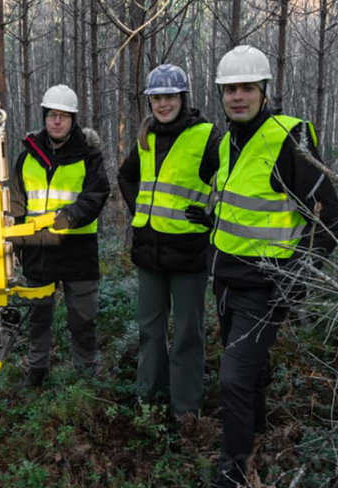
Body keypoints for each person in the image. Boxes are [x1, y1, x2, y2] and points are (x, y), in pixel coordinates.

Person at [208, 46, 338, 486]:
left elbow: (332, 216)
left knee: (232, 378)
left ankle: (233, 468)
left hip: (265, 286)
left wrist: (299, 274)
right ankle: (261, 432)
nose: (238, 96)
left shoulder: (289, 137)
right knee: (248, 370)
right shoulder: (228, 140)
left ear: (264, 91)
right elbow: (245, 209)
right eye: (230, 89)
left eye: (247, 88)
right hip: (226, 279)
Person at [117, 64, 221, 422]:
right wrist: (139, 211)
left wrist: (213, 217)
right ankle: (150, 398)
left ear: (183, 97)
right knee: (149, 331)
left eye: (169, 97)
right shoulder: (146, 136)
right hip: (149, 251)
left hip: (189, 252)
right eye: (157, 98)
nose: (163, 104)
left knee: (188, 334)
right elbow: (126, 176)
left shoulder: (207, 136)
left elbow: (231, 183)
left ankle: (185, 409)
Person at [8, 84, 110, 387]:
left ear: (73, 119)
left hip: (77, 249)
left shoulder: (89, 154)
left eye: (64, 116)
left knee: (83, 319)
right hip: (38, 252)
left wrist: (70, 217)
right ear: (44, 116)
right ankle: (36, 372)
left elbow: (97, 194)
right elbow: (16, 203)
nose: (57, 121)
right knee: (38, 318)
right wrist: (14, 241)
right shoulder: (27, 156)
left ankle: (86, 375)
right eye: (52, 115)